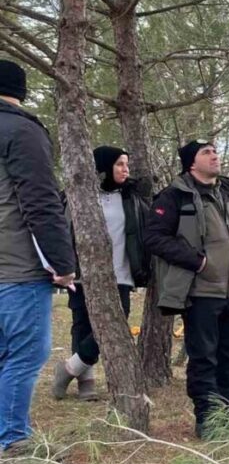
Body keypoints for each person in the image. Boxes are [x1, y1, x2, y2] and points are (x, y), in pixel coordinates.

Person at [144, 140, 229, 439]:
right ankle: (207, 417)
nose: (214, 156)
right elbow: (154, 237)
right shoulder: (174, 196)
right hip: (201, 292)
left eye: (215, 151)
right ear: (191, 163)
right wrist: (197, 262)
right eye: (206, 152)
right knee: (204, 357)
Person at [0, 59, 76, 457]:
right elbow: (41, 202)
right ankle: (13, 439)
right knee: (26, 353)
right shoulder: (21, 130)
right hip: (17, 266)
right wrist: (63, 264)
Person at [52, 146, 150, 401]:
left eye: (127, 164)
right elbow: (62, 229)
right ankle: (86, 381)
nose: (126, 169)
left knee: (118, 319)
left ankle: (69, 368)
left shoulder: (130, 197)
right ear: (104, 167)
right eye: (119, 164)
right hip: (82, 272)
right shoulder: (77, 195)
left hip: (121, 272)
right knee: (82, 323)